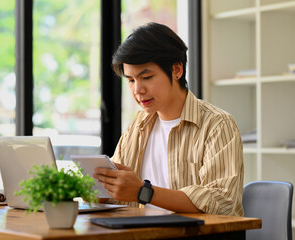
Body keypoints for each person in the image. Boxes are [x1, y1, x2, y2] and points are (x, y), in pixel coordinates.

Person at [94, 22, 244, 216]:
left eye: (146, 77)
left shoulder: (218, 125)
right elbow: (119, 193)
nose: (137, 90)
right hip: (145, 233)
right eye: (131, 80)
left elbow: (222, 201)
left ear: (176, 70)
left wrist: (143, 192)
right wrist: (99, 190)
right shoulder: (137, 127)